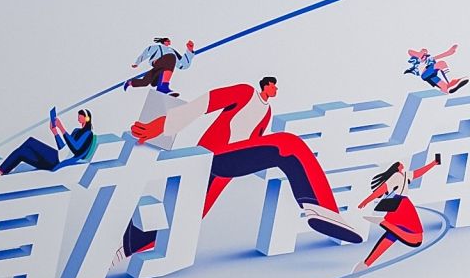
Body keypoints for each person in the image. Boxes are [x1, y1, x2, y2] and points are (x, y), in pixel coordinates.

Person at [121, 75, 362, 259]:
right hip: (214, 155)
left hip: (229, 164)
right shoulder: (246, 93)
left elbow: (255, 144)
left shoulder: (267, 113)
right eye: (274, 86)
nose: (276, 90)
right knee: (288, 145)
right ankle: (322, 209)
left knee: (191, 214)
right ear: (266, 85)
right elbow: (204, 104)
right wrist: (165, 125)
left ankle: (126, 244)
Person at [359, 156, 445, 267]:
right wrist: (366, 201)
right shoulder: (396, 176)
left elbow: (419, 172)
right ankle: (382, 224)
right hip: (402, 205)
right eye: (399, 163)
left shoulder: (405, 175)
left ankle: (367, 263)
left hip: (400, 204)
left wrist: (433, 163)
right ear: (397, 167)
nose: (402, 164)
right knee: (411, 235)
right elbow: (382, 189)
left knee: (392, 236)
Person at [0, 108, 97, 178]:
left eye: (80, 115)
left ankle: (0, 171)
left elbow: (76, 149)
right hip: (56, 157)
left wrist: (61, 128)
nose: (78, 117)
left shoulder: (88, 134)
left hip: (57, 161)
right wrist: (55, 132)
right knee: (23, 151)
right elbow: (64, 148)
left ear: (87, 118)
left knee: (31, 141)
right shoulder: (76, 131)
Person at [128, 37, 196, 95]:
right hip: (158, 64)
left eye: (169, 41)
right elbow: (145, 54)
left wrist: (189, 51)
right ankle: (163, 86)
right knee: (170, 57)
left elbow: (181, 64)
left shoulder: (171, 51)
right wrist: (137, 63)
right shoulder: (156, 47)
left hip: (161, 71)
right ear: (164, 41)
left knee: (145, 82)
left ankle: (130, 83)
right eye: (168, 41)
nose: (169, 42)